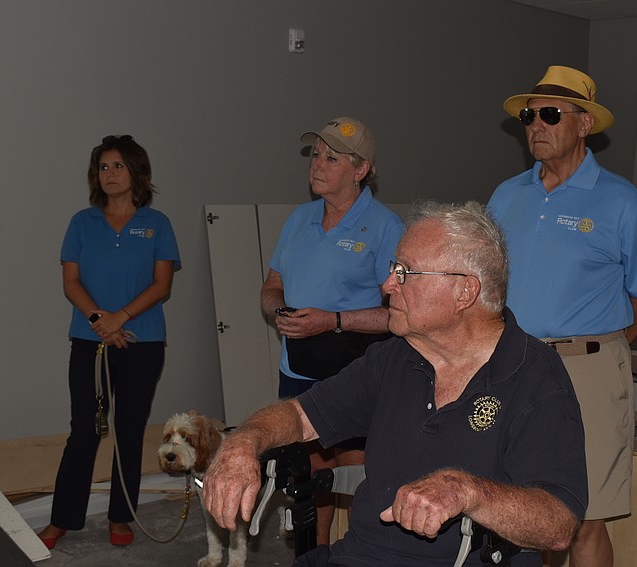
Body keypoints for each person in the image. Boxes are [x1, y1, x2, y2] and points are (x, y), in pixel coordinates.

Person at [205, 201, 588, 567]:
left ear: (464, 292)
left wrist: (466, 491)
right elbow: (301, 414)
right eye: (394, 268)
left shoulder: (535, 376)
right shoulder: (395, 356)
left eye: (406, 272)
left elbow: (557, 524)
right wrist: (244, 441)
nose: (388, 284)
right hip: (358, 557)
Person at [488, 66, 637, 567]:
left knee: (585, 518)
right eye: (529, 115)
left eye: (550, 114)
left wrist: (599, 349)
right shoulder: (506, 196)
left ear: (584, 124)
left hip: (588, 371)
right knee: (525, 508)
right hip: (514, 365)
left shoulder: (624, 203)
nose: (535, 125)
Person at [261, 116, 404, 544]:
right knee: (309, 470)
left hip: (355, 373)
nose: (317, 165)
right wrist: (278, 310)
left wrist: (334, 320)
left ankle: (363, 551)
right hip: (299, 368)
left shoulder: (385, 227)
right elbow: (272, 286)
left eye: (332, 158)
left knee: (357, 471)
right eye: (315, 155)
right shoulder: (298, 219)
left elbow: (398, 314)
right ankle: (314, 552)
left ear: (361, 171)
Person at [38, 134, 181, 549]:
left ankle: (122, 516)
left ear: (137, 172)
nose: (110, 174)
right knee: (83, 430)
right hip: (89, 341)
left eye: (118, 166)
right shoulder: (81, 223)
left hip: (144, 342)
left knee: (129, 429)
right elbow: (70, 281)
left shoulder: (157, 224)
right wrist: (102, 321)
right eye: (103, 167)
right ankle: (62, 519)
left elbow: (162, 284)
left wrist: (122, 317)